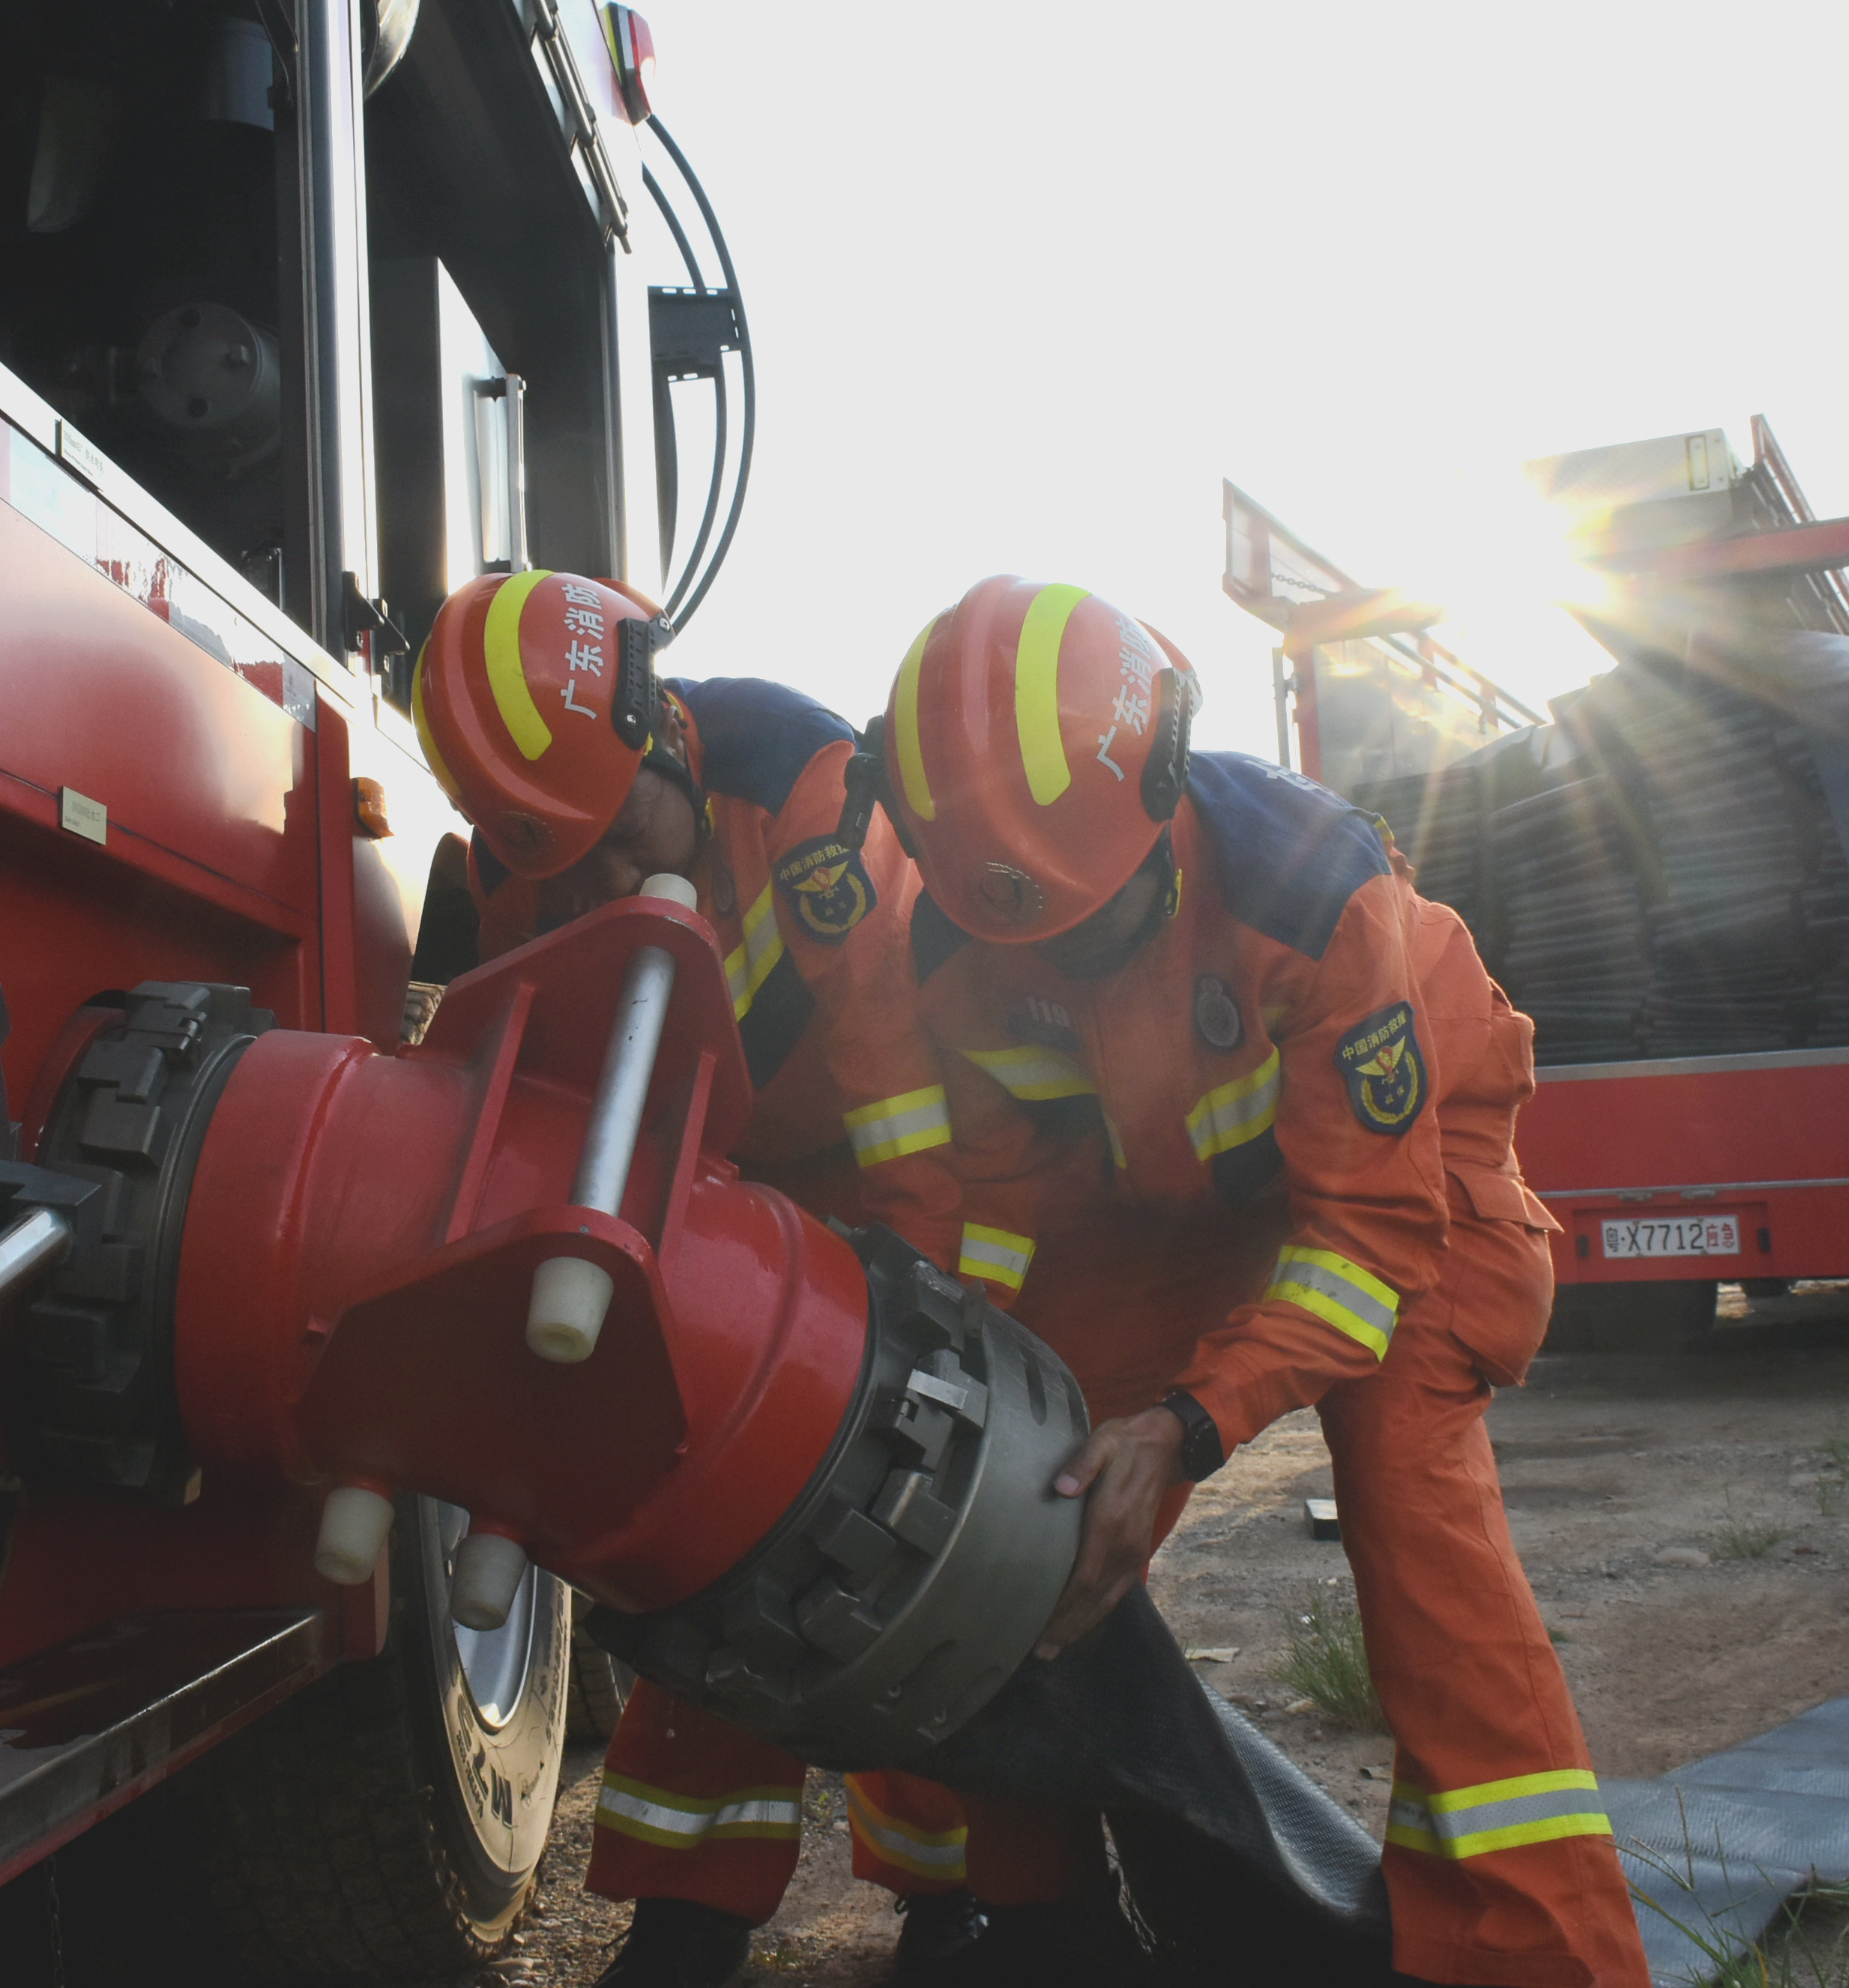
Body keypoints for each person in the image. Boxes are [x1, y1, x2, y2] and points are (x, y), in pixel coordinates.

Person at [850, 575, 1650, 1988]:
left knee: (1419, 1534)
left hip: (1405, 1188)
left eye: (1086, 932)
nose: (1056, 967)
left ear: (1160, 797)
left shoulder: (1311, 894)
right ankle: (1040, 1916)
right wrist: (995, 1388)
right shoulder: (965, 943)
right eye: (1020, 936)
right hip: (1170, 1205)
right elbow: (1016, 1208)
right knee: (1025, 1509)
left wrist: (1185, 1427)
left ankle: (1541, 1960)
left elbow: (1363, 1250)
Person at [408, 569, 981, 1987]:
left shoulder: (810, 800)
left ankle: (946, 1896)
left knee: (899, 1534)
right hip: (703, 1195)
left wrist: (928, 1310)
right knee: (706, 1543)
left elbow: (901, 1090)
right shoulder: (519, 861)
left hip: (882, 1173)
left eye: (623, 845)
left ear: (664, 733)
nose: (604, 887)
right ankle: (686, 1915)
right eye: (566, 866)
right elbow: (533, 1076)